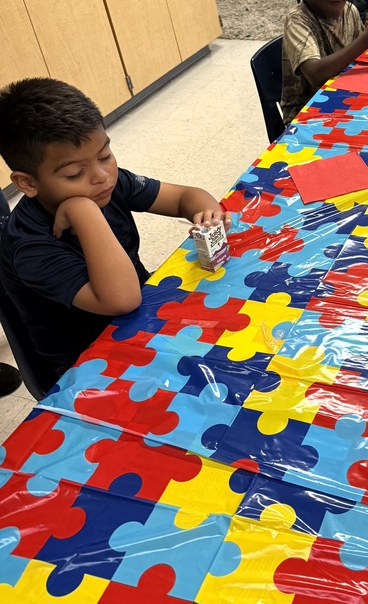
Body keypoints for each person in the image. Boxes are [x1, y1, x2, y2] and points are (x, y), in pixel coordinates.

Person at [0, 78, 231, 389]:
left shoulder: (106, 182)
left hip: (144, 317)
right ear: (27, 184)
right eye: (74, 173)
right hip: (86, 365)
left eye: (105, 155)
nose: (101, 176)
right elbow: (121, 300)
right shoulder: (29, 246)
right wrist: (84, 212)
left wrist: (208, 213)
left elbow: (184, 197)